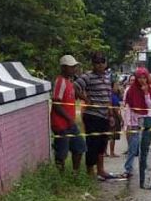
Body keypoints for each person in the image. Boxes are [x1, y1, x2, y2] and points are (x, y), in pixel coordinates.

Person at [75, 51, 120, 181]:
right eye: (96, 62)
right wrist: (85, 99)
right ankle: (90, 172)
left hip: (104, 115)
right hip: (92, 115)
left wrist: (111, 114)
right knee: (92, 144)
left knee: (102, 144)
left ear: (105, 63)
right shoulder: (87, 77)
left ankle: (101, 170)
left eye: (102, 62)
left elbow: (108, 96)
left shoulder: (107, 77)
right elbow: (74, 87)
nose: (99, 65)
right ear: (93, 64)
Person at [51, 55, 86, 173]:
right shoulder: (60, 82)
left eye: (74, 67)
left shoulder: (69, 81)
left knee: (80, 147)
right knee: (62, 153)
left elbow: (74, 92)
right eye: (71, 67)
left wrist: (84, 97)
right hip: (61, 124)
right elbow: (56, 103)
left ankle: (75, 173)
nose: (74, 69)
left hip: (69, 124)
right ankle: (59, 177)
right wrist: (68, 118)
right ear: (64, 67)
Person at [122, 67, 151, 178]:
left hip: (146, 120)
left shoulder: (150, 90)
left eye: (144, 77)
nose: (142, 80)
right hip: (134, 121)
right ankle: (128, 168)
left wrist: (146, 93)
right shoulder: (130, 90)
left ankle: (147, 168)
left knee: (146, 146)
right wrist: (127, 124)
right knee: (133, 147)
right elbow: (127, 107)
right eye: (140, 78)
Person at [108, 79, 124, 157]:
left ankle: (106, 152)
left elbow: (121, 98)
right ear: (112, 87)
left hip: (112, 116)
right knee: (112, 136)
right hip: (114, 116)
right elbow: (116, 109)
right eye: (116, 85)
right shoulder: (112, 96)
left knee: (110, 135)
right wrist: (121, 119)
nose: (117, 87)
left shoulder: (114, 95)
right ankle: (111, 152)